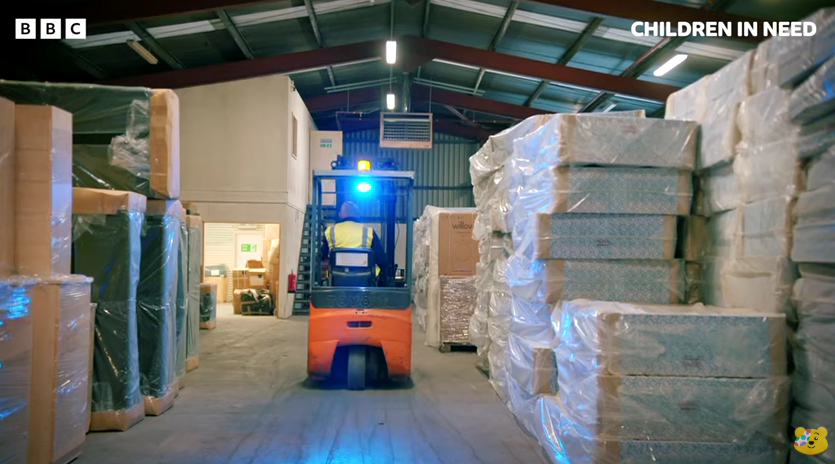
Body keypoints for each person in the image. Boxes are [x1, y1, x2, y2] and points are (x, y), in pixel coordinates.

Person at [321, 201, 388, 283]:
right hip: (366, 279)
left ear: (340, 215)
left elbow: (321, 256)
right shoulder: (368, 231)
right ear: (358, 215)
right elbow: (382, 261)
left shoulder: (330, 231)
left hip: (336, 278)